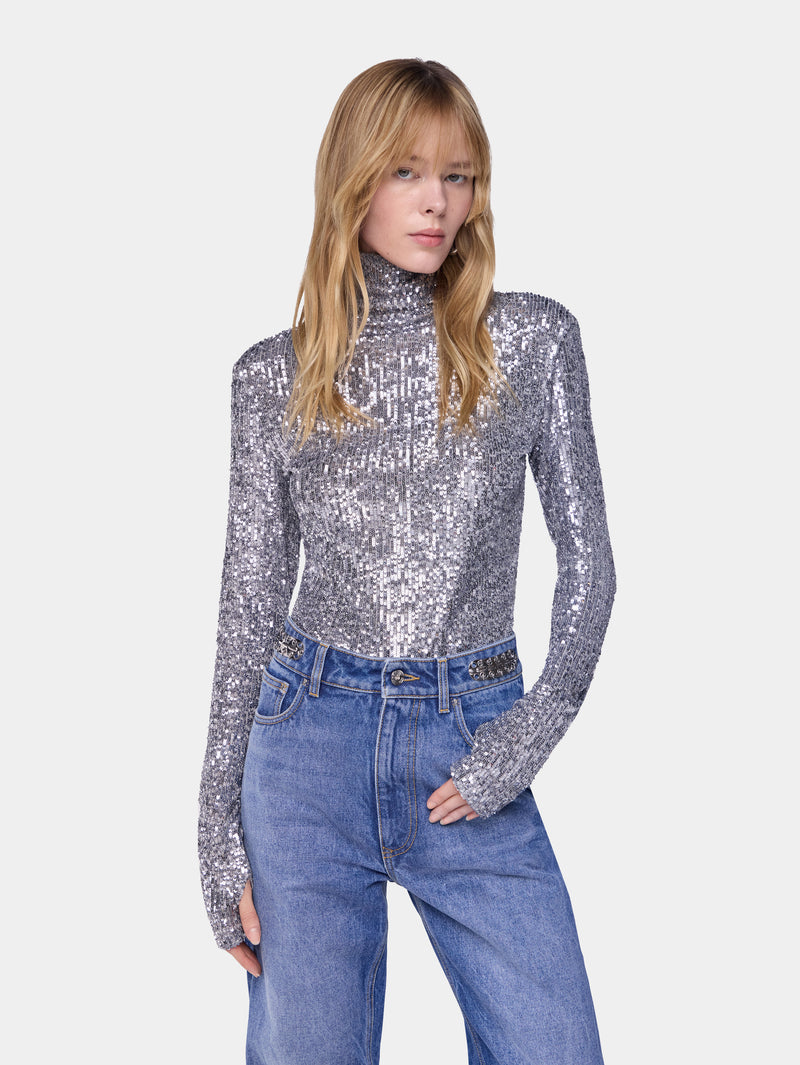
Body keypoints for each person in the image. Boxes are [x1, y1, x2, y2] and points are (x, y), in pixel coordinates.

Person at [199, 58, 616, 1065]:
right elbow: (248, 603)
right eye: (406, 172)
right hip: (306, 751)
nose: (436, 201)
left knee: (555, 1045)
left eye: (458, 176)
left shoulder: (531, 341)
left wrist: (521, 742)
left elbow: (590, 562)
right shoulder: (274, 375)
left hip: (470, 740)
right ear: (353, 181)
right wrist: (215, 827)